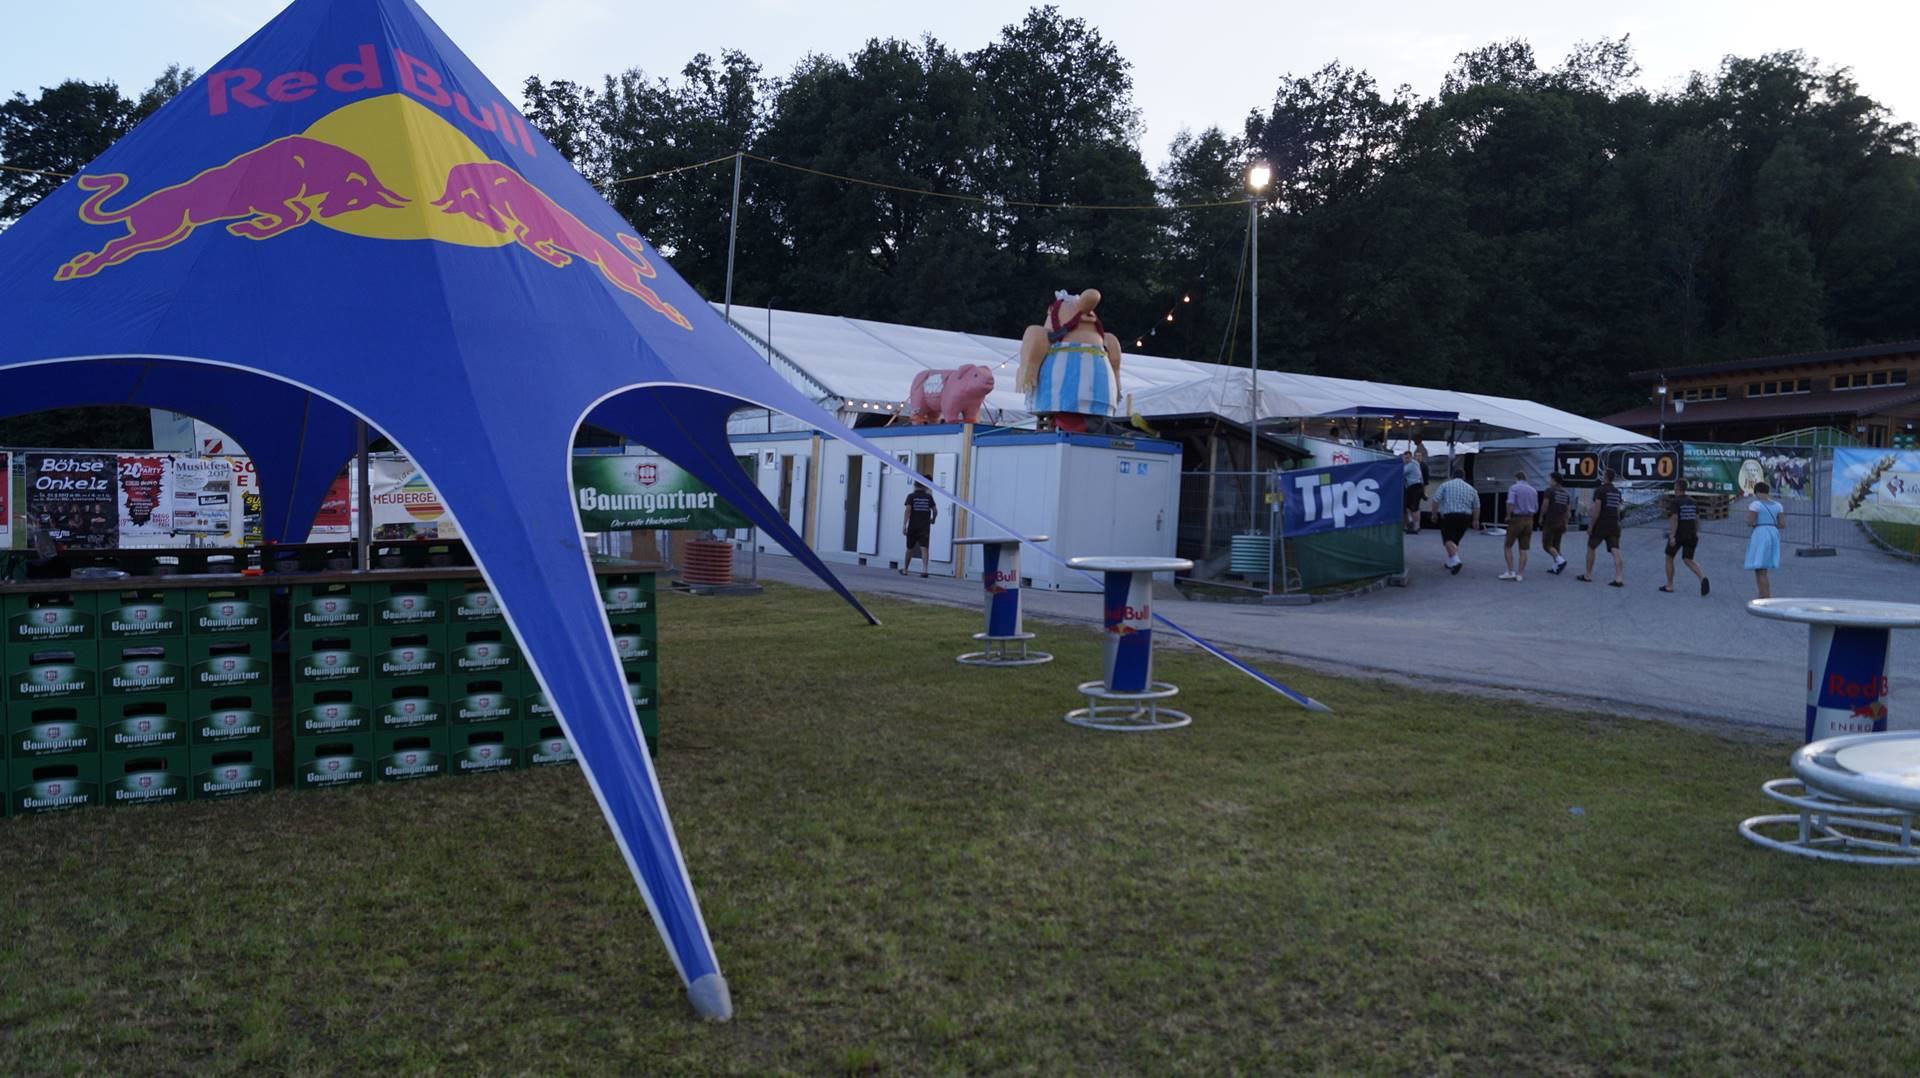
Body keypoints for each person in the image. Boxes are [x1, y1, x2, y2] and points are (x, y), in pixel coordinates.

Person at [1577, 469, 1625, 586]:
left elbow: (1597, 510)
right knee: (1615, 550)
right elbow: (1618, 510)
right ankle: (1619, 578)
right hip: (1614, 524)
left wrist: (1591, 525)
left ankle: (1588, 575)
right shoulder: (1617, 492)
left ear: (1605, 477)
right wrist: (1617, 522)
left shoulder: (1600, 490)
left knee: (1591, 547)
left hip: (1601, 524)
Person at [1661, 478, 1708, 596]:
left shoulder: (1675, 502)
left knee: (1669, 557)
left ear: (1677, 488)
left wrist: (1672, 536)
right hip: (1691, 534)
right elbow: (1697, 519)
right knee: (1688, 559)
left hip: (1679, 535)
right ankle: (1703, 578)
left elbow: (1675, 519)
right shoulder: (1693, 501)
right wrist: (1696, 533)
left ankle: (1669, 585)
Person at [1432, 469, 1480, 575]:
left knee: (1448, 539)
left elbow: (1436, 499)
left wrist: (1434, 514)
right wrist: (1475, 520)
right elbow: (1476, 506)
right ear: (1463, 477)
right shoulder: (1471, 489)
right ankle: (1450, 562)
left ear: (1452, 476)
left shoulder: (1445, 485)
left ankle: (1456, 561)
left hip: (1450, 516)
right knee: (1455, 541)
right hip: (1465, 517)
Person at [1745, 481, 1783, 598]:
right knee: (1763, 568)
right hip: (1773, 533)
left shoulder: (1755, 505)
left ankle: (1765, 596)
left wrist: (1756, 524)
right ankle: (1763, 594)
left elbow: (1750, 522)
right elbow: (1782, 524)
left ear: (1757, 492)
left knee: (1760, 568)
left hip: (1761, 533)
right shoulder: (1778, 505)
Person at [1500, 471, 1539, 582]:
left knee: (1508, 545)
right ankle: (1520, 574)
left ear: (1516, 478)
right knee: (1523, 548)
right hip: (1529, 519)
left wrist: (1508, 515)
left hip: (1517, 518)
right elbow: (1536, 508)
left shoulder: (1514, 488)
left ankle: (1510, 571)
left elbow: (1510, 502)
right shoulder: (1533, 490)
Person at [1539, 472, 1574, 575]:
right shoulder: (1566, 493)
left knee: (1546, 545)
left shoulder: (1549, 491)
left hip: (1551, 521)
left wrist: (1541, 516)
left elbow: (1545, 505)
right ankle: (1556, 567)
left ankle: (1560, 561)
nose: (1549, 481)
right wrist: (1566, 523)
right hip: (1561, 522)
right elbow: (1568, 511)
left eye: (1550, 479)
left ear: (1554, 480)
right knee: (1556, 545)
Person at [901, 483, 938, 578]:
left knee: (910, 548)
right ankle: (925, 570)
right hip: (924, 527)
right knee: (924, 548)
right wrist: (933, 519)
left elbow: (908, 510)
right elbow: (935, 510)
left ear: (915, 486)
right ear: (924, 487)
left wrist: (904, 525)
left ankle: (905, 569)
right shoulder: (928, 497)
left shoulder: (911, 496)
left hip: (913, 526)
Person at [1401, 451, 1426, 534]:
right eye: (1405, 458)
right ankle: (1416, 525)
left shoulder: (1410, 465)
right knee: (1414, 507)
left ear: (1411, 457)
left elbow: (1401, 473)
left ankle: (1414, 527)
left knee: (1413, 508)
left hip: (1414, 487)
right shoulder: (1415, 463)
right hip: (1418, 486)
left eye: (1407, 458)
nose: (1406, 459)